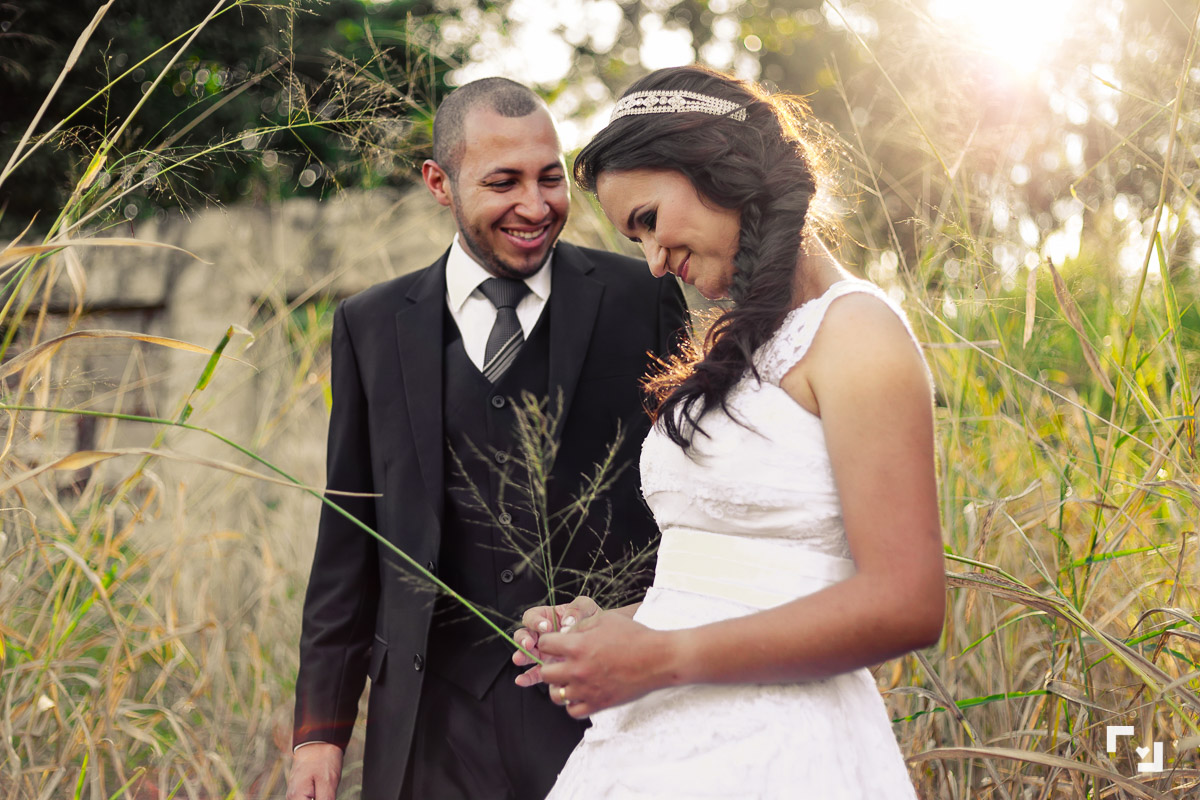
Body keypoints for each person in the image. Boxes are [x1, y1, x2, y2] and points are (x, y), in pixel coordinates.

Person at [511, 65, 945, 798]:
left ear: (714, 164)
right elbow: (732, 575)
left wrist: (661, 657)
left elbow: (906, 602)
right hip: (656, 743)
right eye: (632, 238)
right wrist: (610, 627)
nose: (651, 262)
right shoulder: (734, 350)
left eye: (648, 219)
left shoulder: (858, 333)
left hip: (780, 750)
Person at [287, 78, 688, 800]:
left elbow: (694, 501)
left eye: (550, 178)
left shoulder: (644, 297)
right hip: (429, 724)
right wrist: (320, 729)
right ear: (439, 183)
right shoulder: (371, 325)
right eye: (503, 182)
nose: (535, 207)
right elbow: (348, 536)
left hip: (603, 714)